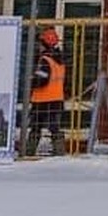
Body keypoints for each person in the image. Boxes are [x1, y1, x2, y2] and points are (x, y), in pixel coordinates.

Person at [25, 26, 66, 157]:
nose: (38, 46)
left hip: (42, 100)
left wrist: (29, 81)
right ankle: (59, 151)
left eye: (40, 43)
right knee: (54, 127)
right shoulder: (60, 60)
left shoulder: (45, 60)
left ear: (45, 43)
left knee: (36, 127)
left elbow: (41, 80)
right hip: (56, 99)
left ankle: (29, 151)